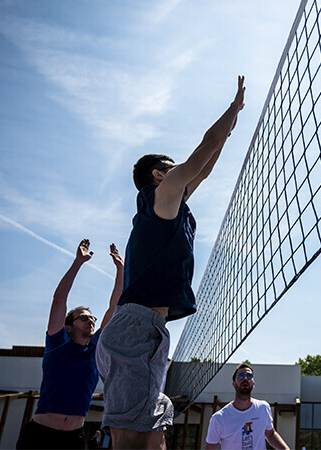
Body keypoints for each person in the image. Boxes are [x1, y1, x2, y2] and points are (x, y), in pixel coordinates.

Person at [96, 76, 246, 449]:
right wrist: (233, 109)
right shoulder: (159, 199)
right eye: (173, 166)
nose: (182, 169)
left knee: (152, 438)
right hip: (134, 330)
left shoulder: (172, 207)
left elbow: (206, 165)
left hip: (145, 331)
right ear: (160, 175)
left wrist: (229, 130)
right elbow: (204, 149)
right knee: (132, 439)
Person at [16, 239, 124, 449]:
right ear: (68, 327)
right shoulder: (57, 345)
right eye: (83, 318)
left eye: (92, 318)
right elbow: (59, 299)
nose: (90, 320)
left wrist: (120, 269)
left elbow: (115, 305)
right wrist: (78, 262)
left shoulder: (95, 349)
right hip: (39, 436)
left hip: (73, 438)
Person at [205, 364, 290, 450]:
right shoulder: (219, 418)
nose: (245, 378)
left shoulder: (263, 408)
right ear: (234, 384)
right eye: (241, 376)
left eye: (249, 376)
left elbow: (270, 434)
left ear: (253, 384)